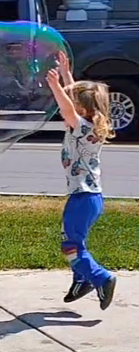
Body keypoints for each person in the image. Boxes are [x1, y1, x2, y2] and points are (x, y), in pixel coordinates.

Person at [46, 51, 117, 311]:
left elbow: (67, 107)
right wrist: (67, 75)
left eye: (72, 100)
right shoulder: (88, 124)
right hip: (90, 198)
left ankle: (101, 277)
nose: (66, 102)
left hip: (82, 198)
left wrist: (56, 86)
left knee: (70, 246)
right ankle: (82, 281)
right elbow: (74, 102)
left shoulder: (81, 127)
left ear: (82, 110)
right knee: (76, 242)